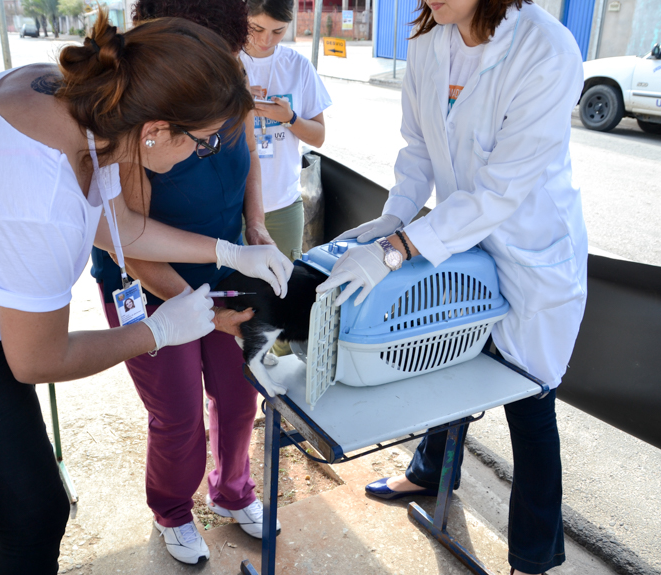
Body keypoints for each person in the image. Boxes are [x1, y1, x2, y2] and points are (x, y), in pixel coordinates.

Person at [0, 12, 293, 574]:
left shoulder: (92, 108)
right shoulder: (37, 193)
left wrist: (229, 252)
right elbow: (38, 358)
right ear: (157, 131)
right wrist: (154, 331)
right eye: (202, 144)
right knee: (35, 517)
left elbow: (119, 224)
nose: (200, 156)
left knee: (13, 499)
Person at [317, 1, 587, 574]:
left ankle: (533, 559)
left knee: (530, 405)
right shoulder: (430, 39)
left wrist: (400, 249)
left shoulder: (546, 49)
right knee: (446, 363)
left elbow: (500, 191)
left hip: (529, 256)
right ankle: (428, 473)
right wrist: (393, 219)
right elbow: (418, 151)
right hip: (458, 241)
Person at [87, 0, 279, 565]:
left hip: (226, 266)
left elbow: (251, 162)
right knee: (176, 414)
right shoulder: (130, 117)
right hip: (144, 284)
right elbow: (132, 243)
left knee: (241, 391)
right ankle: (172, 508)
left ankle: (233, 490)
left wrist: (257, 227)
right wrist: (202, 312)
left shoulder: (230, 79)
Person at [241, 0, 332, 261]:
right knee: (235, 292)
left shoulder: (299, 66)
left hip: (284, 204)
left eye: (278, 31)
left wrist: (290, 118)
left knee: (284, 289)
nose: (266, 40)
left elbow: (319, 136)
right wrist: (237, 104)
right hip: (234, 206)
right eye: (256, 28)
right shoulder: (227, 62)